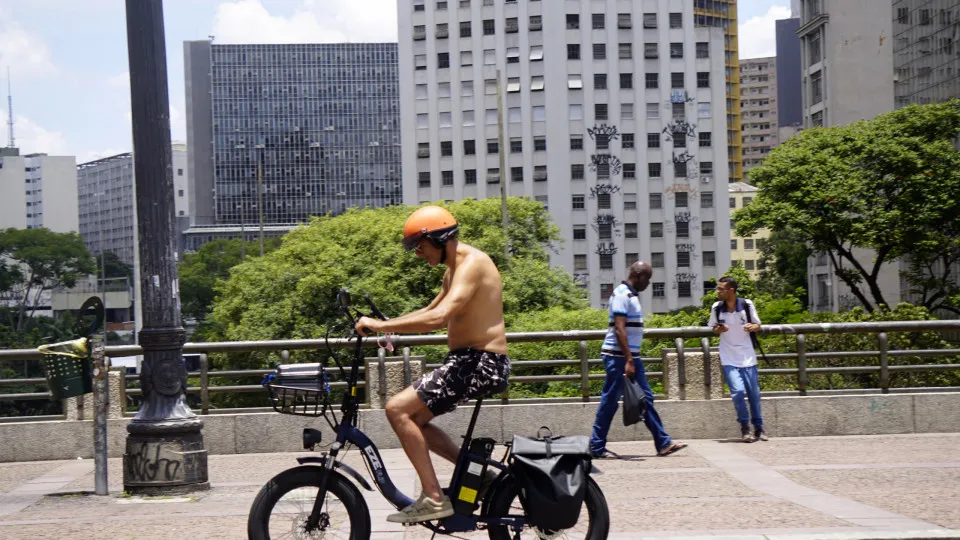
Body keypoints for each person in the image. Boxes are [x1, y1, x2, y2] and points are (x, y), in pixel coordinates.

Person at [355, 205, 510, 524]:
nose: (417, 254)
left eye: (419, 246)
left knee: (397, 409)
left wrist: (380, 326)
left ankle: (434, 499)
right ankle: (477, 475)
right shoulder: (453, 270)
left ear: (438, 238)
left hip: (480, 362)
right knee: (415, 421)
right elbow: (430, 308)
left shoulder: (472, 264)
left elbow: (440, 317)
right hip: (468, 360)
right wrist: (388, 324)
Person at [589, 261, 688, 459]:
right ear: (639, 275)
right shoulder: (621, 294)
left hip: (629, 357)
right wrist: (628, 360)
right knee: (610, 401)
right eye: (648, 279)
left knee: (645, 398)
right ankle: (596, 447)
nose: (648, 284)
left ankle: (663, 443)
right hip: (618, 357)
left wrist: (631, 358)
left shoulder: (631, 295)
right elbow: (619, 328)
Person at [708, 276, 768, 443]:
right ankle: (744, 427)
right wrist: (720, 329)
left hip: (747, 356)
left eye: (721, 289)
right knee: (738, 392)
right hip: (728, 356)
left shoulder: (747, 305)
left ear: (731, 291)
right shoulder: (717, 307)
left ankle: (759, 427)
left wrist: (752, 327)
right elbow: (713, 328)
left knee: (754, 394)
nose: (718, 292)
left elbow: (758, 325)